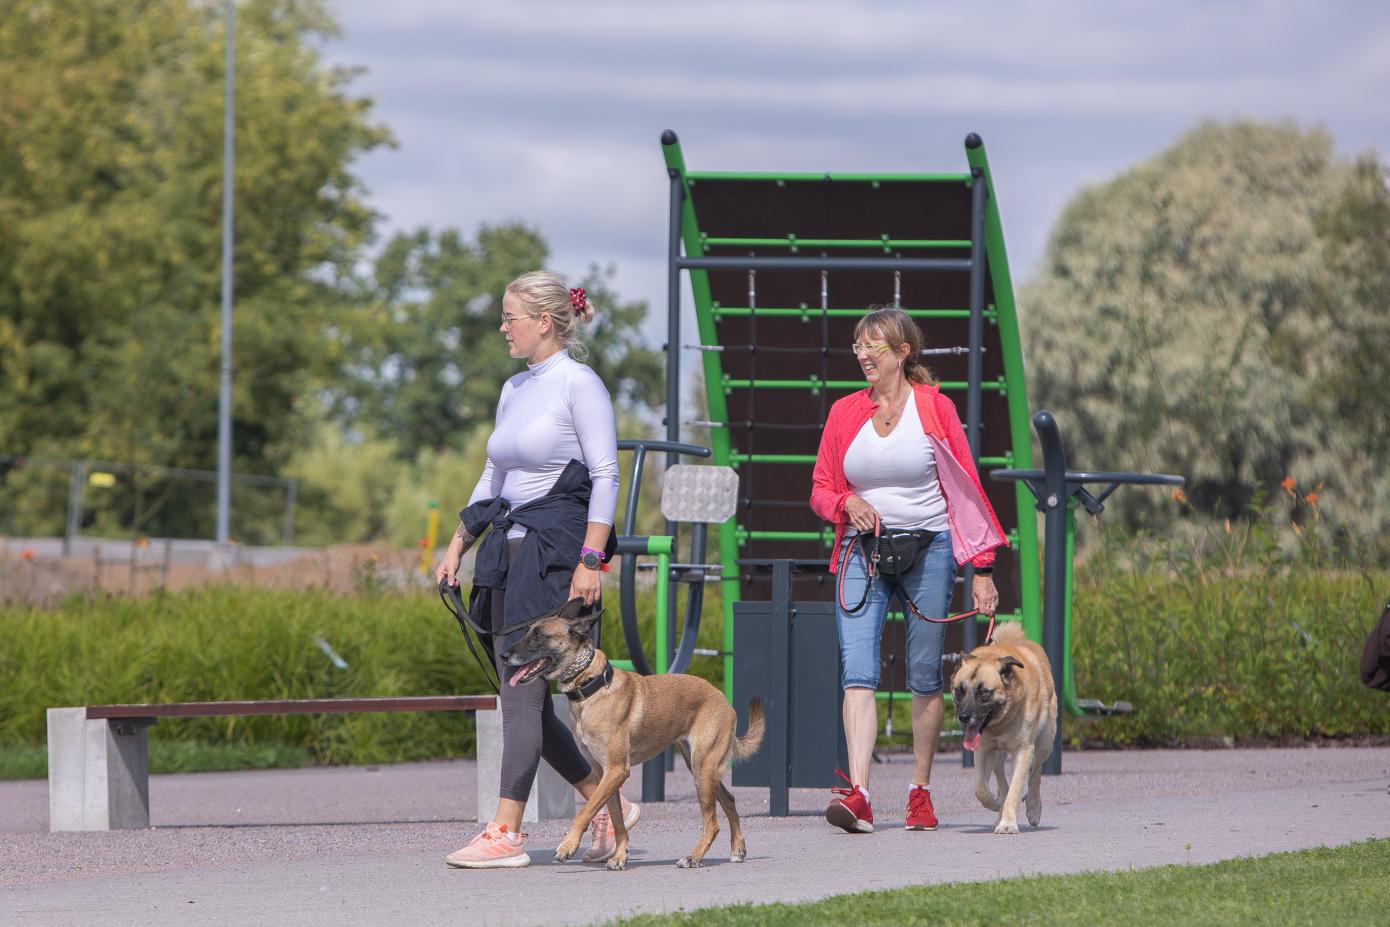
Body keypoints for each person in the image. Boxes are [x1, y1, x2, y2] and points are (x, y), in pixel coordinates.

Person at [436, 271, 638, 869]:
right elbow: (493, 475)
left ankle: (505, 832)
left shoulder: (579, 383)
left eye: (510, 317)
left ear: (544, 322)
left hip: (555, 554)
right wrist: (457, 544)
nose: (503, 327)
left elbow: (606, 474)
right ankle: (607, 807)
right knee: (520, 694)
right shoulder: (514, 388)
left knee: (522, 696)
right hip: (507, 551)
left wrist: (591, 560)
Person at [810, 306, 1007, 834]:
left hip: (930, 549)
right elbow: (821, 488)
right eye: (858, 345)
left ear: (902, 352)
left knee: (923, 674)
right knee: (858, 672)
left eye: (873, 345)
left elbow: (966, 485)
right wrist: (846, 503)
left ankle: (920, 791)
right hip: (862, 552)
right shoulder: (844, 413)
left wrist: (982, 569)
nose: (862, 354)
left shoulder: (935, 408)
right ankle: (859, 794)